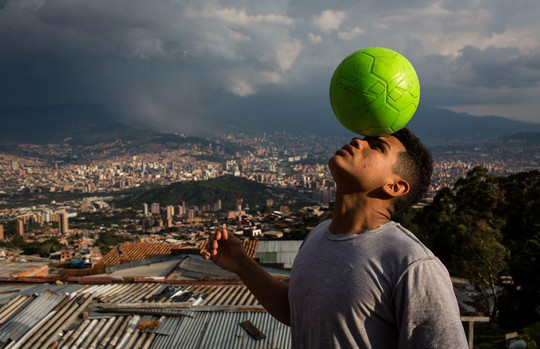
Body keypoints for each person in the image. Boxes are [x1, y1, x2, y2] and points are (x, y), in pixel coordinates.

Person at [202, 128, 468, 348]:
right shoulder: (318, 235)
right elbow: (297, 311)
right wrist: (242, 265)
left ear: (395, 186)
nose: (358, 141)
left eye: (376, 146)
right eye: (363, 138)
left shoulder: (412, 265)